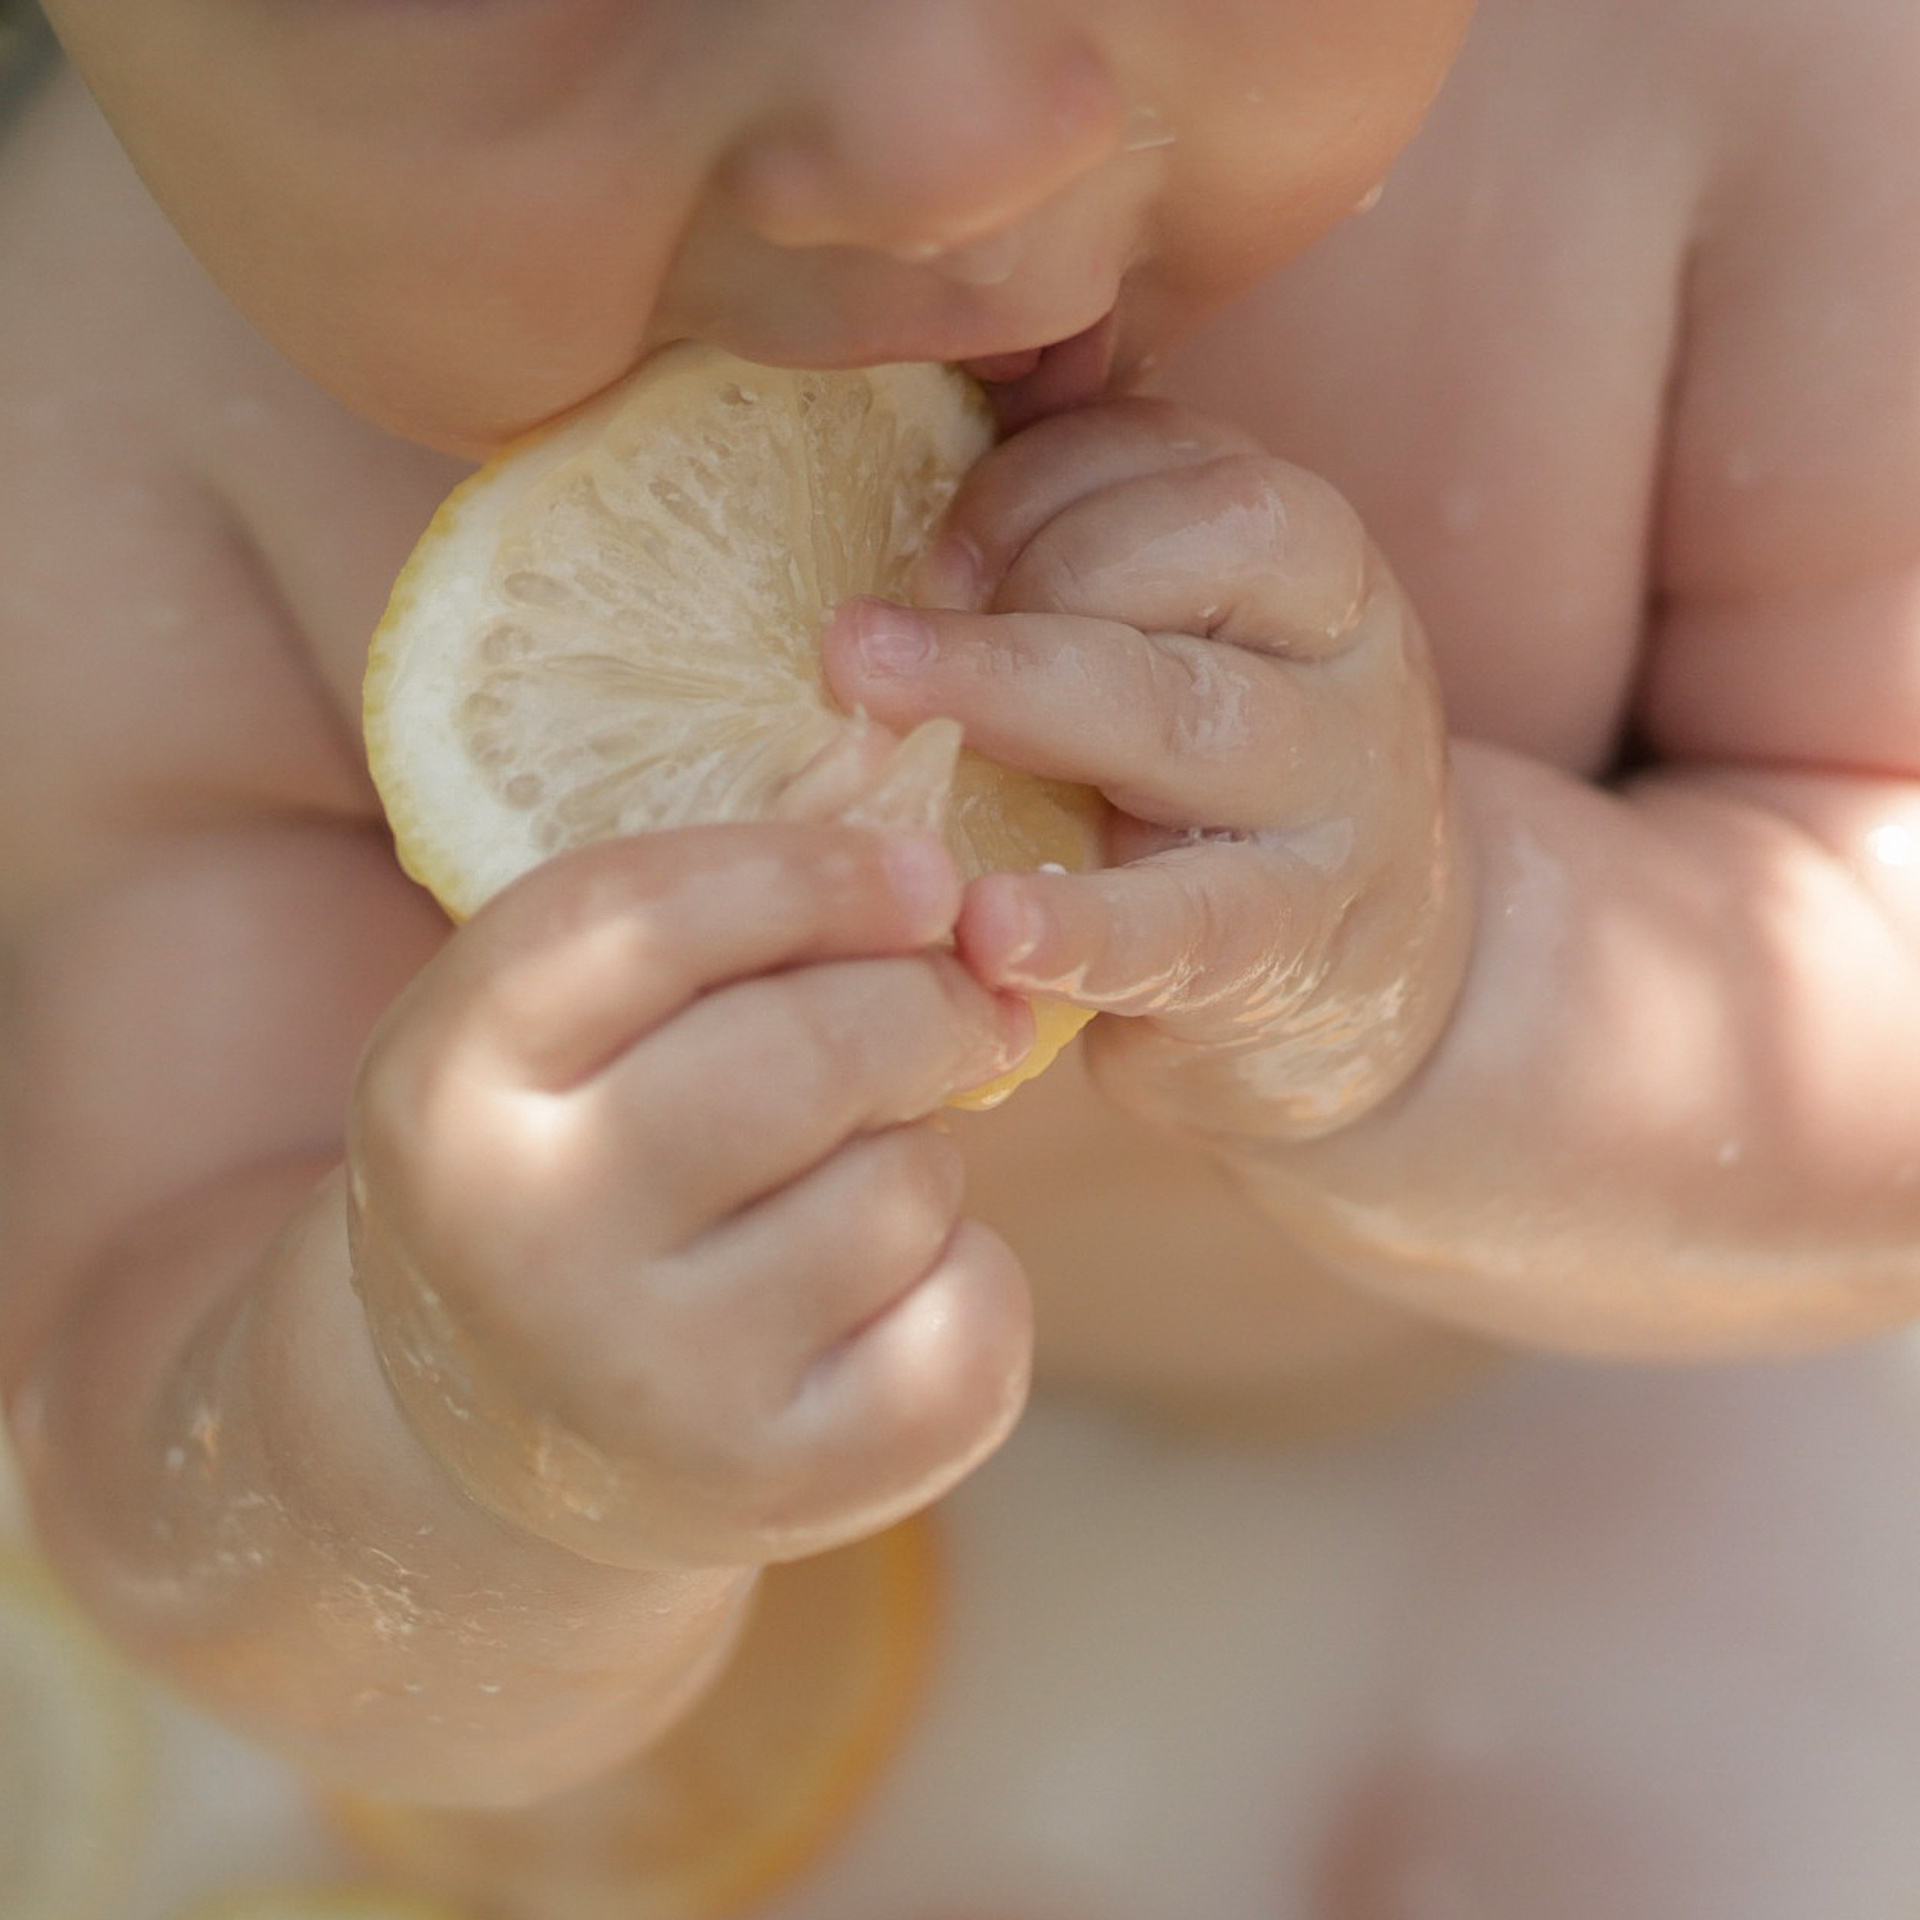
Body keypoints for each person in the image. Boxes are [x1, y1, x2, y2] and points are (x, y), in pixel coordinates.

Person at [4, 0, 1920, 1870]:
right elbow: (150, 1466)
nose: (943, 153)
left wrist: (1448, 973)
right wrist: (446, 1432)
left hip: (1641, 1444)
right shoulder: (118, 436)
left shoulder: (1743, 78)